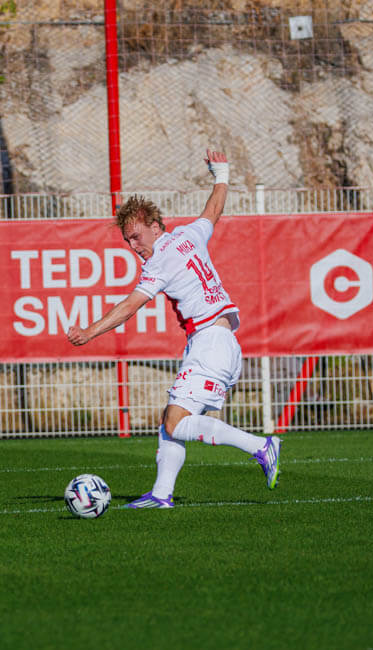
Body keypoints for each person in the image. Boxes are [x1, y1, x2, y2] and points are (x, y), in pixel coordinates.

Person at [66, 150, 280, 508]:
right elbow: (213, 211)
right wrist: (221, 174)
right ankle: (161, 494)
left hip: (211, 343)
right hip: (217, 342)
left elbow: (129, 307)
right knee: (170, 419)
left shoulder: (160, 262)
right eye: (128, 241)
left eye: (137, 237)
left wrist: (89, 332)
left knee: (176, 421)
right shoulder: (188, 235)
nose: (134, 247)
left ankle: (261, 446)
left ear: (155, 226)